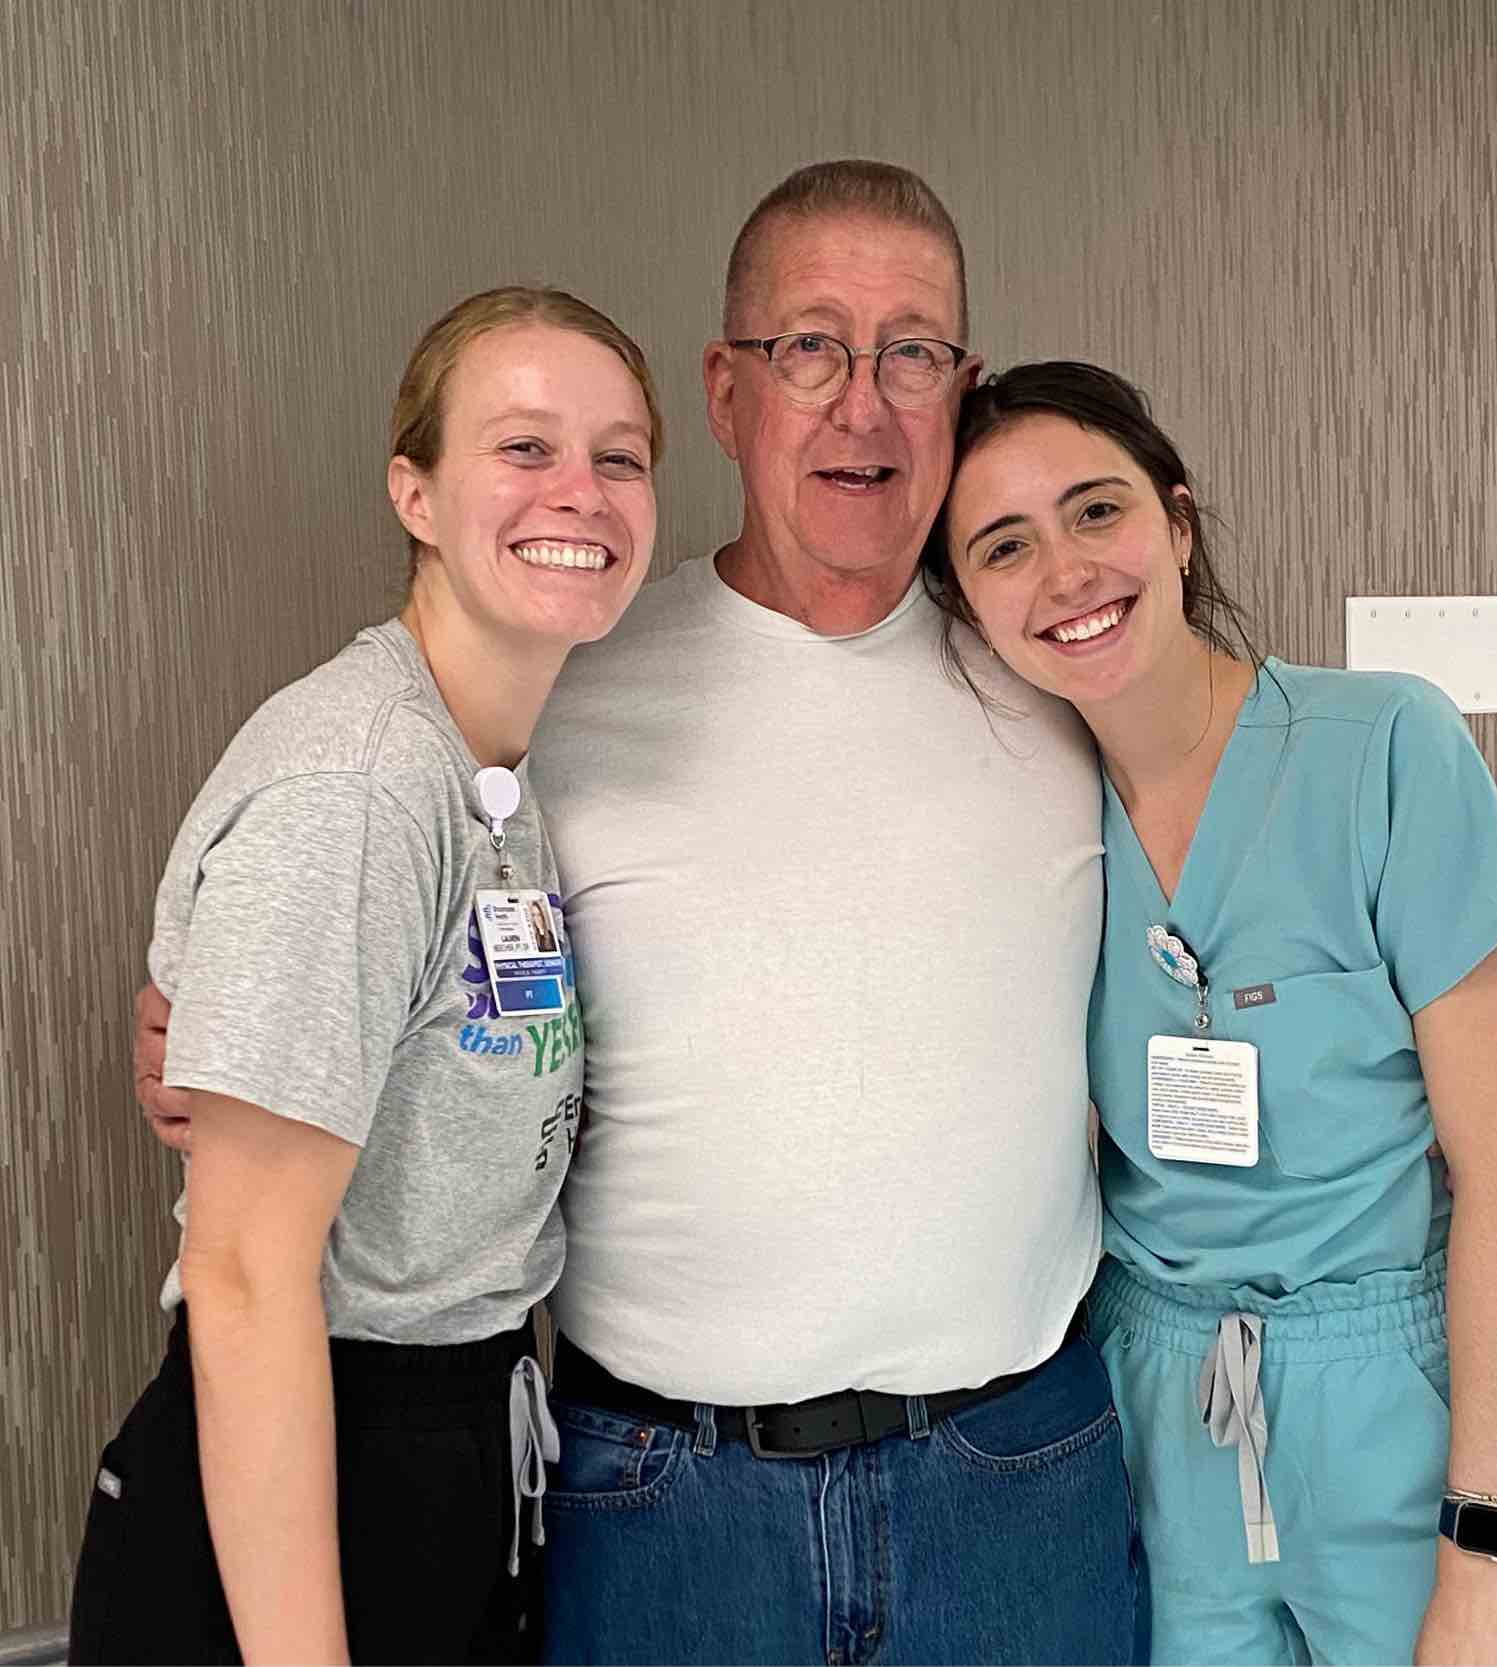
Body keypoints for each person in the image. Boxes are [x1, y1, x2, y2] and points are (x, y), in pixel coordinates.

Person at [135, 164, 1146, 1666]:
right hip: (666, 1501)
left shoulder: (1067, 673)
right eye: (811, 347)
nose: (862, 403)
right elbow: (357, 925)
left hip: (1016, 1481)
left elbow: (1248, 897)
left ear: (962, 388)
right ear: (729, 392)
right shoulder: (566, 680)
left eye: (912, 351)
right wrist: (217, 1034)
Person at [927, 359, 1497, 1666]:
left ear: (1176, 522)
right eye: (1005, 546)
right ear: (967, 606)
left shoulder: (1385, 751)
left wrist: (1487, 1553)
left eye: (1096, 511)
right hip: (1155, 1415)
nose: (1064, 572)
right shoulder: (1025, 824)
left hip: (1400, 1404)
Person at [82, 284, 660, 1665]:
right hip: (307, 1466)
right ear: (415, 492)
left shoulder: (500, 779)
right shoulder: (360, 784)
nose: (578, 491)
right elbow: (240, 1275)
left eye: (620, 455)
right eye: (523, 449)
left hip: (458, 1444)